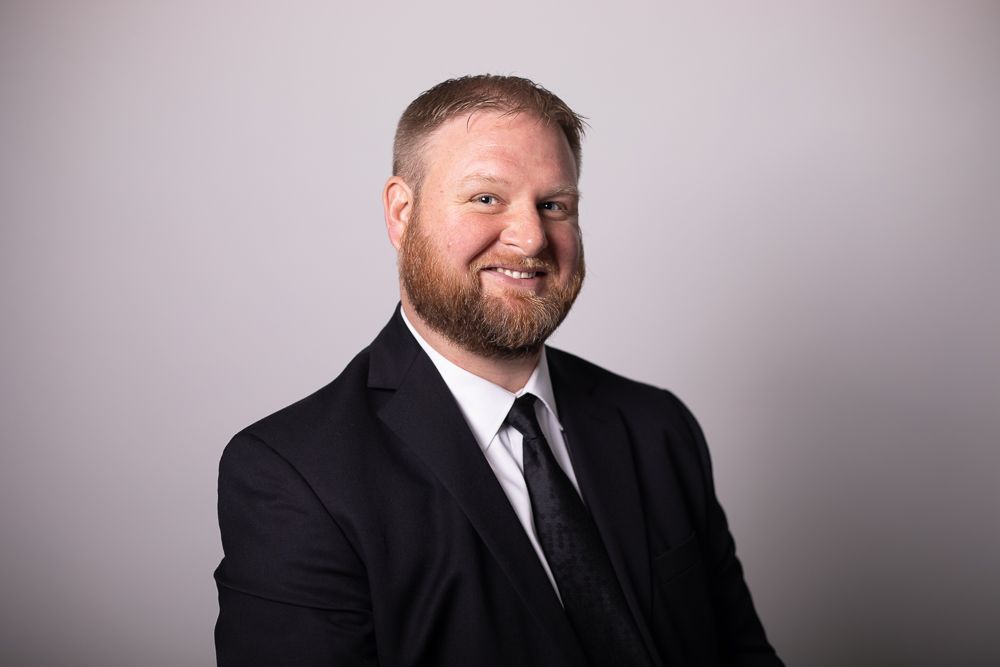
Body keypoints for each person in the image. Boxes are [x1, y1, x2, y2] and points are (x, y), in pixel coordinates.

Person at [214, 74, 783, 666]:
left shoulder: (657, 427)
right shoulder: (295, 476)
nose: (531, 237)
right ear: (401, 213)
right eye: (487, 198)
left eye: (554, 205)